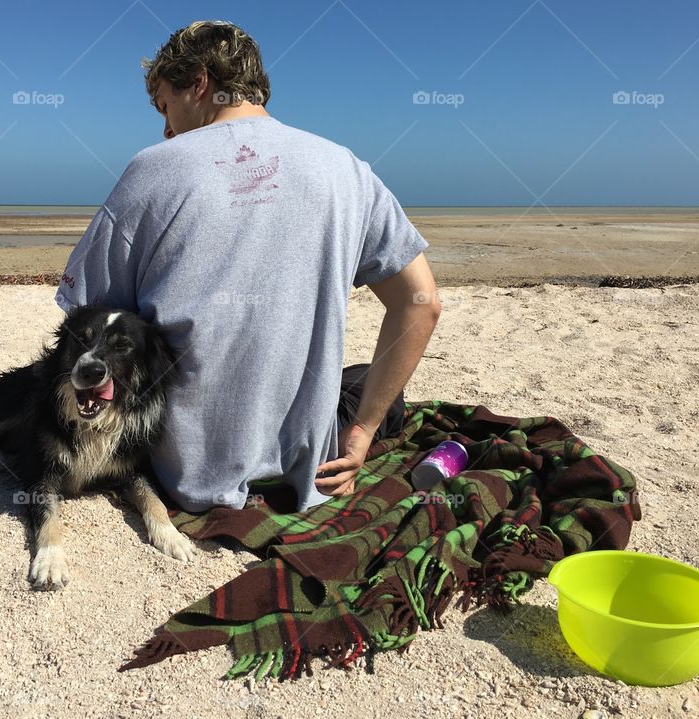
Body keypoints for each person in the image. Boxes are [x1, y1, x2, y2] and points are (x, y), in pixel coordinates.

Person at [54, 20, 441, 513]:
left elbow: (90, 321)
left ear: (198, 82)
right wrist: (362, 430)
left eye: (164, 107)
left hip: (186, 471)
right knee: (367, 382)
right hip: (311, 470)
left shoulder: (154, 167)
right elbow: (420, 305)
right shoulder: (346, 168)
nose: (166, 128)